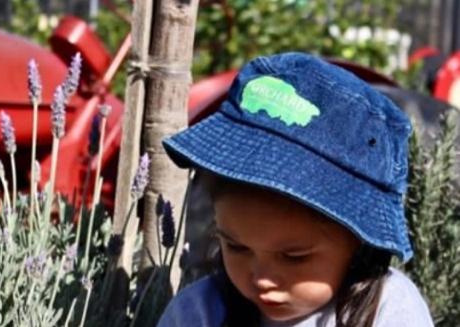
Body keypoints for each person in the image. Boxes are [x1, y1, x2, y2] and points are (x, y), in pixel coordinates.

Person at [157, 53, 434, 327]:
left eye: (293, 257)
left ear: (359, 243)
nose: (262, 279)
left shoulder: (388, 308)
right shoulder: (197, 313)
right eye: (236, 247)